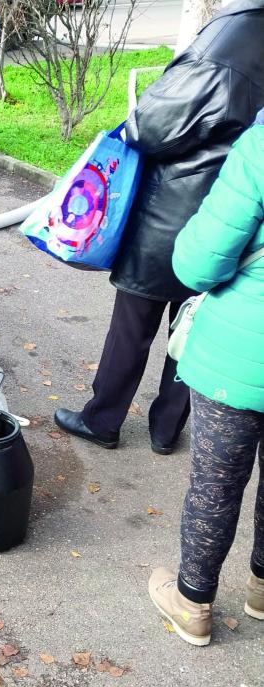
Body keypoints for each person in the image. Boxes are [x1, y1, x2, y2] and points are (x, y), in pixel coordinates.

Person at [55, 0, 264, 454]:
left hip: (172, 208)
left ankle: (102, 420)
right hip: (232, 213)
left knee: (133, 324)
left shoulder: (231, 38)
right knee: (193, 321)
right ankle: (166, 429)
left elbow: (150, 126)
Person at [148, 111, 264, 646]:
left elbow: (197, 264)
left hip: (240, 352)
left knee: (216, 484)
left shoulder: (260, 148)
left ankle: (193, 602)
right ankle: (261, 588)